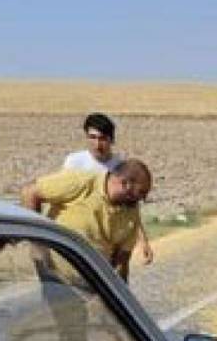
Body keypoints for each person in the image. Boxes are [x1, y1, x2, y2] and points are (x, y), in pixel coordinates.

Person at [21, 159, 152, 282]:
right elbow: (30, 192)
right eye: (141, 193)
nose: (143, 199)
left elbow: (122, 263)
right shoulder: (82, 183)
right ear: (125, 184)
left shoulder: (131, 212)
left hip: (94, 287)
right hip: (56, 282)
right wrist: (37, 246)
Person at [63, 113, 154, 265]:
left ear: (112, 140)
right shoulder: (74, 162)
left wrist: (142, 241)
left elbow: (131, 207)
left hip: (110, 239)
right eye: (92, 137)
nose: (97, 144)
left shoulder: (120, 167)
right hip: (79, 235)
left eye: (103, 139)